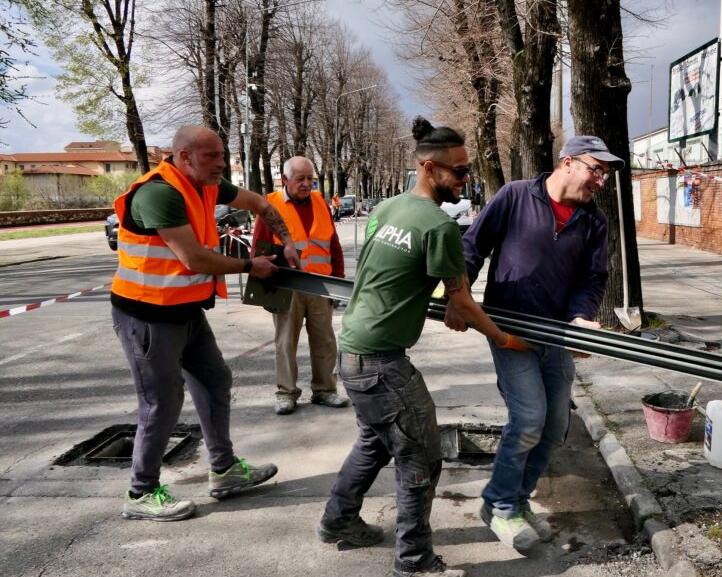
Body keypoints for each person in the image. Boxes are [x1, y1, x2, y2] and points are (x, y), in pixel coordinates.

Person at [318, 117, 529, 577]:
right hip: (380, 362)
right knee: (421, 456)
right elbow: (462, 301)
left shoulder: (386, 209)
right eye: (459, 171)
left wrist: (447, 300)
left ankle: (338, 522)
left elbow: (403, 275)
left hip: (351, 347)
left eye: (467, 170)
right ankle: (414, 562)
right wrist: (505, 338)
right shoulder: (438, 226)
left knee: (375, 442)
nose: (466, 179)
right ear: (430, 169)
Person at [111, 125, 300, 521]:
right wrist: (252, 265)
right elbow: (194, 259)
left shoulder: (208, 184)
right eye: (211, 156)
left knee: (215, 381)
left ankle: (225, 470)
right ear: (184, 157)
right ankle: (140, 492)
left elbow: (262, 204)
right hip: (147, 316)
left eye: (220, 154)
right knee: (161, 403)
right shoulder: (160, 193)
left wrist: (286, 240)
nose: (220, 163)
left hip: (186, 311)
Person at [448, 135, 617, 551]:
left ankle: (517, 503)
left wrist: (581, 317)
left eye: (606, 174)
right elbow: (472, 247)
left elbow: (593, 278)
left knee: (555, 425)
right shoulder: (515, 196)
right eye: (596, 169)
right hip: (509, 330)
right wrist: (456, 295)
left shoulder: (594, 221)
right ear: (568, 162)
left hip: (557, 335)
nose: (601, 181)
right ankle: (500, 505)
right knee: (527, 419)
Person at [252, 156, 349, 415]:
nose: (307, 184)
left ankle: (325, 390)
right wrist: (263, 292)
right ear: (285, 180)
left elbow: (333, 244)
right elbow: (258, 249)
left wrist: (337, 279)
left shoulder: (320, 202)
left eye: (310, 179)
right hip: (286, 287)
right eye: (301, 179)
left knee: (325, 341)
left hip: (320, 286)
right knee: (285, 342)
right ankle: (286, 393)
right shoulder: (270, 205)